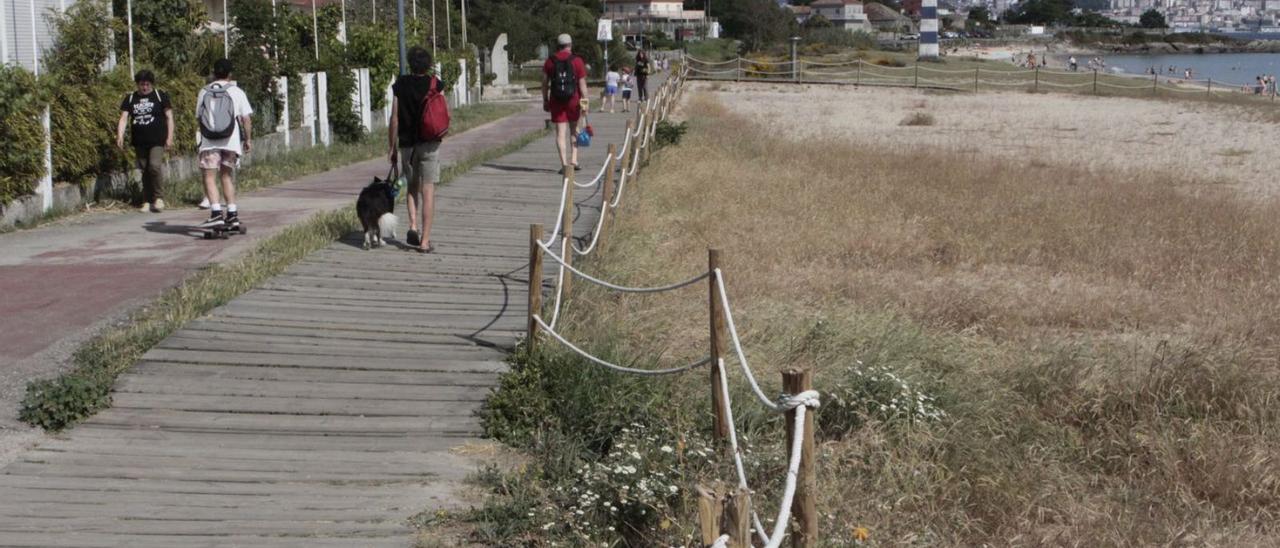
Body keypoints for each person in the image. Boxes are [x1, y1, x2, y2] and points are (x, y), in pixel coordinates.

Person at [389, 46, 447, 253]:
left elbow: (394, 118)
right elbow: (443, 112)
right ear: (428, 65)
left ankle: (412, 225)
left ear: (410, 63)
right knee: (428, 190)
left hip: (407, 145)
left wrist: (391, 146)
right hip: (430, 144)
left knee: (412, 187)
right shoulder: (435, 84)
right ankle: (425, 241)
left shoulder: (400, 85)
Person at [196, 58, 253, 230]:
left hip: (209, 142)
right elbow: (246, 119)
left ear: (214, 73)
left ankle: (215, 214)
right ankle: (232, 214)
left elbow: (199, 118)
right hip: (231, 141)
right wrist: (248, 139)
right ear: (230, 74)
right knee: (226, 176)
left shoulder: (203, 91)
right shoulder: (236, 91)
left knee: (209, 176)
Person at [116, 69, 173, 213]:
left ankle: (159, 198)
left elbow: (169, 117)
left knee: (154, 166)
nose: (144, 87)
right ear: (137, 84)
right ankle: (147, 200)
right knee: (144, 170)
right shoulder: (130, 98)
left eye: (147, 84)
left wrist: (169, 137)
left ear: (151, 84)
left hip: (157, 140)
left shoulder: (160, 96)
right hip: (139, 141)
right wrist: (120, 135)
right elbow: (124, 118)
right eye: (141, 84)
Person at [542, 33, 589, 173]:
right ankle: (574, 160)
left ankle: (564, 164)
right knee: (574, 130)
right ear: (570, 44)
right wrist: (585, 104)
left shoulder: (550, 61)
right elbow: (582, 85)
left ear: (558, 45)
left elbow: (544, 83)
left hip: (556, 100)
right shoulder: (577, 61)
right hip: (573, 100)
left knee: (560, 133)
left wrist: (545, 100)